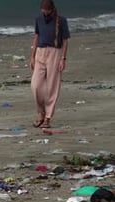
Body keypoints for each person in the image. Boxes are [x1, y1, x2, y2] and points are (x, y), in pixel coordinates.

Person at [29, 0, 70, 128]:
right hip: (40, 52)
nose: (45, 14)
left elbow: (65, 41)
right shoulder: (39, 19)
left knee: (52, 86)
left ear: (52, 9)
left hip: (55, 53)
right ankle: (41, 113)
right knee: (35, 85)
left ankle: (47, 117)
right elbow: (36, 37)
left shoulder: (61, 21)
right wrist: (32, 56)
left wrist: (63, 58)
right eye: (43, 11)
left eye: (47, 11)